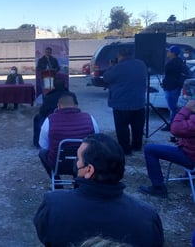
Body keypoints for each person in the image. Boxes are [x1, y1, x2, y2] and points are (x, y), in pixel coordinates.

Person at [34, 133, 164, 247]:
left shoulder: (53, 205)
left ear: (89, 170)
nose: (76, 163)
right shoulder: (147, 217)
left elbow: (46, 238)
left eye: (78, 159)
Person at [139, 99, 195, 198]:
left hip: (190, 158)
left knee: (150, 149)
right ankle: (188, 177)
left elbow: (175, 129)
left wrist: (186, 109)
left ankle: (158, 187)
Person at [38, 92, 99, 179]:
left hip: (58, 165)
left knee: (42, 153)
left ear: (58, 106)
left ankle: (56, 182)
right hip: (83, 164)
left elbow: (44, 145)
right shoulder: (89, 118)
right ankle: (79, 182)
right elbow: (96, 142)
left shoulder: (49, 120)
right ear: (76, 105)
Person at [103, 48, 147, 155]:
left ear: (120, 56)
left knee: (122, 128)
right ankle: (137, 146)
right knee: (137, 127)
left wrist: (111, 66)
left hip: (121, 104)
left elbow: (106, 78)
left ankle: (125, 150)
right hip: (139, 102)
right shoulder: (141, 64)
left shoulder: (117, 67)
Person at [32, 77, 78, 147]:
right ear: (65, 85)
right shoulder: (71, 95)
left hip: (52, 119)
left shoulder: (49, 96)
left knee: (38, 118)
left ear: (54, 86)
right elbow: (76, 107)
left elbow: (42, 111)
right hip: (72, 117)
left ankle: (37, 142)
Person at [161, 45, 185, 131]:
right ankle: (173, 125)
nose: (167, 52)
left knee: (173, 108)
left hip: (171, 88)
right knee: (172, 108)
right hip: (174, 87)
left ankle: (172, 126)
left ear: (173, 53)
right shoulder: (179, 61)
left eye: (169, 51)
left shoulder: (172, 63)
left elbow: (169, 76)